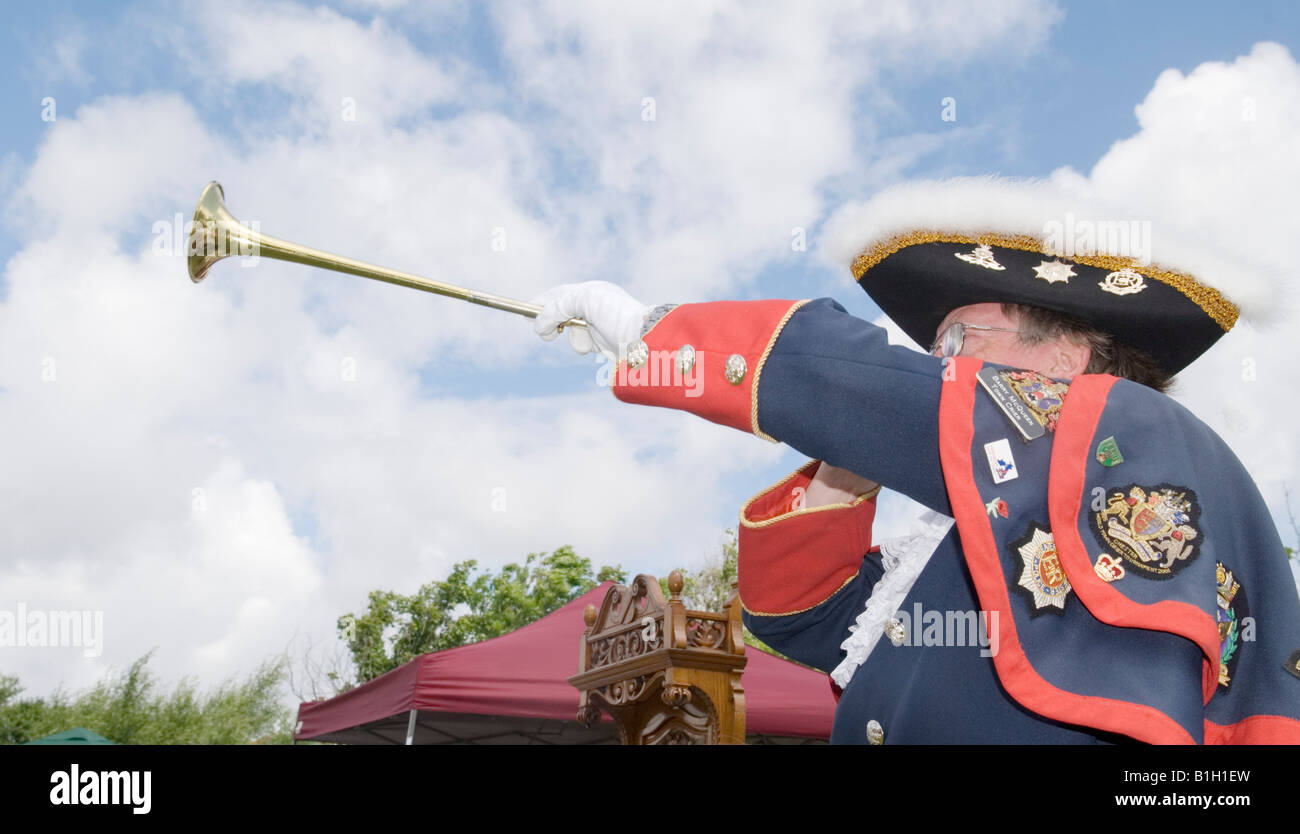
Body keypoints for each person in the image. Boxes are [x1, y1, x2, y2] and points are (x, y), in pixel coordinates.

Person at [531, 178, 1300, 744]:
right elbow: (803, 617)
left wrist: (659, 334)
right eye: (937, 353)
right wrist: (855, 449)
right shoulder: (996, 514)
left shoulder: (1142, 425)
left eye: (962, 343)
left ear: (1067, 353)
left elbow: (898, 395)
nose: (940, 364)